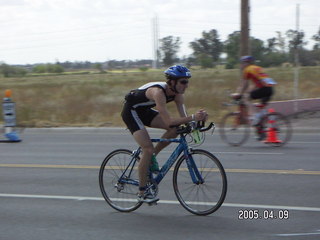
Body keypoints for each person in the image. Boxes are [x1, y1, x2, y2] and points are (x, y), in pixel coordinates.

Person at [121, 65, 208, 203]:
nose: (186, 85)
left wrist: (196, 122)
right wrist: (193, 117)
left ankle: (151, 157)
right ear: (172, 82)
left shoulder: (178, 95)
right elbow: (168, 121)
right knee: (147, 148)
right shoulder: (158, 93)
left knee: (174, 129)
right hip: (131, 112)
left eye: (187, 81)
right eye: (183, 82)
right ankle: (142, 192)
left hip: (144, 111)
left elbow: (183, 118)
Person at [235, 56, 277, 139]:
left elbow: (244, 84)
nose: (241, 65)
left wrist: (239, 94)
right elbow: (256, 83)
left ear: (245, 63)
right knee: (260, 110)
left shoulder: (247, 70)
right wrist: (249, 92)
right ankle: (261, 133)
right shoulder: (257, 68)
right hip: (270, 89)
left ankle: (254, 117)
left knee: (246, 98)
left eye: (242, 63)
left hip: (264, 89)